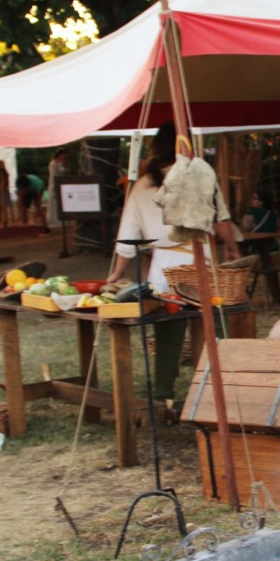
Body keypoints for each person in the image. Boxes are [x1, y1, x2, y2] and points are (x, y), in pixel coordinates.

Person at [105, 122, 240, 410]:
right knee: (215, 327)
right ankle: (217, 390)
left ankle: (163, 393)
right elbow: (222, 221)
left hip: (163, 271)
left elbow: (128, 235)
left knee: (168, 334)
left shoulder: (142, 185)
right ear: (185, 145)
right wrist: (232, 249)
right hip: (197, 263)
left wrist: (116, 273)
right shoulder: (198, 176)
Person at [47, 149, 69, 227]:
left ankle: (61, 219)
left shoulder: (59, 164)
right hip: (54, 184)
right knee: (54, 202)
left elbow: (62, 172)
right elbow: (54, 175)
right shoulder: (52, 164)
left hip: (60, 184)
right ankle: (54, 220)